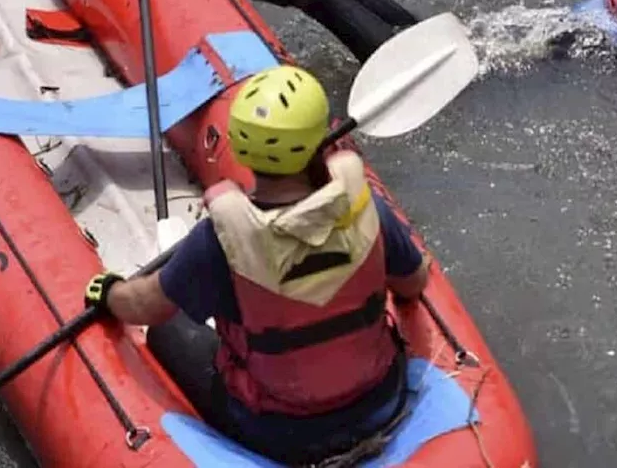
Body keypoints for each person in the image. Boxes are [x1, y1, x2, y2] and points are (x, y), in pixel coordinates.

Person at [83, 64, 431, 465]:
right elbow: (413, 283)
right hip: (380, 401)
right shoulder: (362, 207)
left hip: (277, 432)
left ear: (241, 146)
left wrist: (108, 291)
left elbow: (142, 306)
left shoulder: (219, 240)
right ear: (321, 138)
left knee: (168, 328)